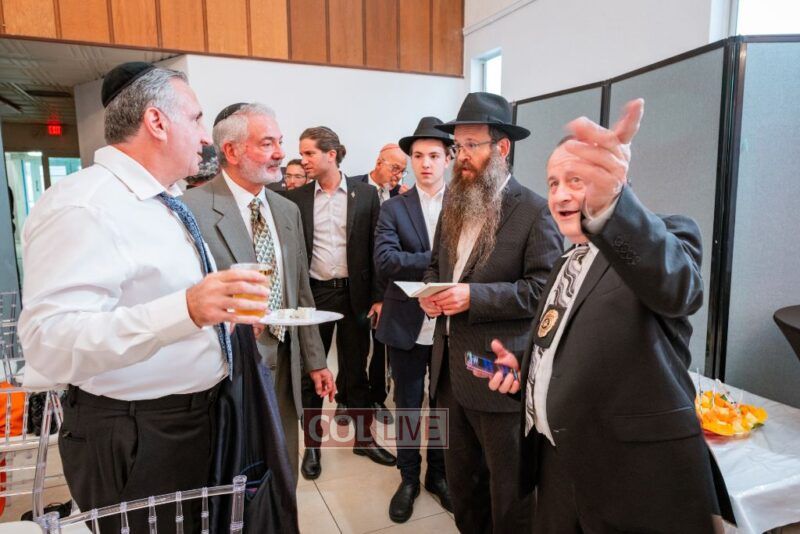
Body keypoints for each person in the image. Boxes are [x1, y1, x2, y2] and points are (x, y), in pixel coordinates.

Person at [18, 62, 269, 533]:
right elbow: (48, 342)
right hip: (138, 435)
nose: (205, 137)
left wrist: (221, 318)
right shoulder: (85, 205)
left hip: (194, 420)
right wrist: (187, 309)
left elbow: (154, 297)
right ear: (156, 121)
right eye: (196, 119)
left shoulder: (163, 199)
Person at [482, 99, 733, 533]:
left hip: (632, 480)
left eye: (576, 180)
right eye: (553, 182)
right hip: (557, 470)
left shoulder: (665, 236)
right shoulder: (565, 262)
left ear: (616, 183)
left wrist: (612, 207)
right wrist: (524, 372)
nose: (560, 194)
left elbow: (678, 288)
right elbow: (567, 348)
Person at [417, 92, 563, 533]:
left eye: (471, 145)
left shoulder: (534, 211)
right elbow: (436, 266)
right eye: (458, 146)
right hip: (447, 375)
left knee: (509, 498)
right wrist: (429, 293)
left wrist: (473, 297)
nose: (461, 156)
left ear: (501, 148)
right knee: (464, 491)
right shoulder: (454, 202)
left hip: (498, 376)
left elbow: (542, 292)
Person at [182, 103, 336, 482]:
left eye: (280, 142)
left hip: (285, 362)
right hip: (229, 371)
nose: (281, 153)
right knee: (236, 476)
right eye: (268, 143)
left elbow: (300, 292)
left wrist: (316, 361)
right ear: (231, 151)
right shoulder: (191, 210)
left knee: (282, 471)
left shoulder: (286, 210)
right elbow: (183, 298)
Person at [286, 126, 396, 480]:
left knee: (356, 370)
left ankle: (363, 439)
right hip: (315, 296)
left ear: (331, 154)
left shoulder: (366, 195)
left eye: (309, 153)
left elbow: (377, 250)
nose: (303, 161)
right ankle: (312, 448)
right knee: (312, 373)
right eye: (302, 154)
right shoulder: (297, 199)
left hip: (355, 295)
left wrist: (378, 297)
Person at [374, 117, 454, 522]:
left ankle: (438, 475)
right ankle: (408, 478)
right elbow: (386, 260)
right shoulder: (393, 207)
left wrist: (424, 263)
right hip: (405, 322)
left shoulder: (464, 204)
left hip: (451, 325)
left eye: (434, 156)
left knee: (441, 406)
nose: (425, 163)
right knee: (408, 405)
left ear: (448, 158)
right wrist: (441, 261)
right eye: (418, 156)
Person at [351, 143, 408, 424]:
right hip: (354, 280)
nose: (397, 176)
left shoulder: (403, 198)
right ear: (379, 162)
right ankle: (349, 398)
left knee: (381, 345)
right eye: (394, 168)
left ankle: (377, 397)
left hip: (386, 283)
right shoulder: (353, 187)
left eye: (402, 171)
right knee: (353, 345)